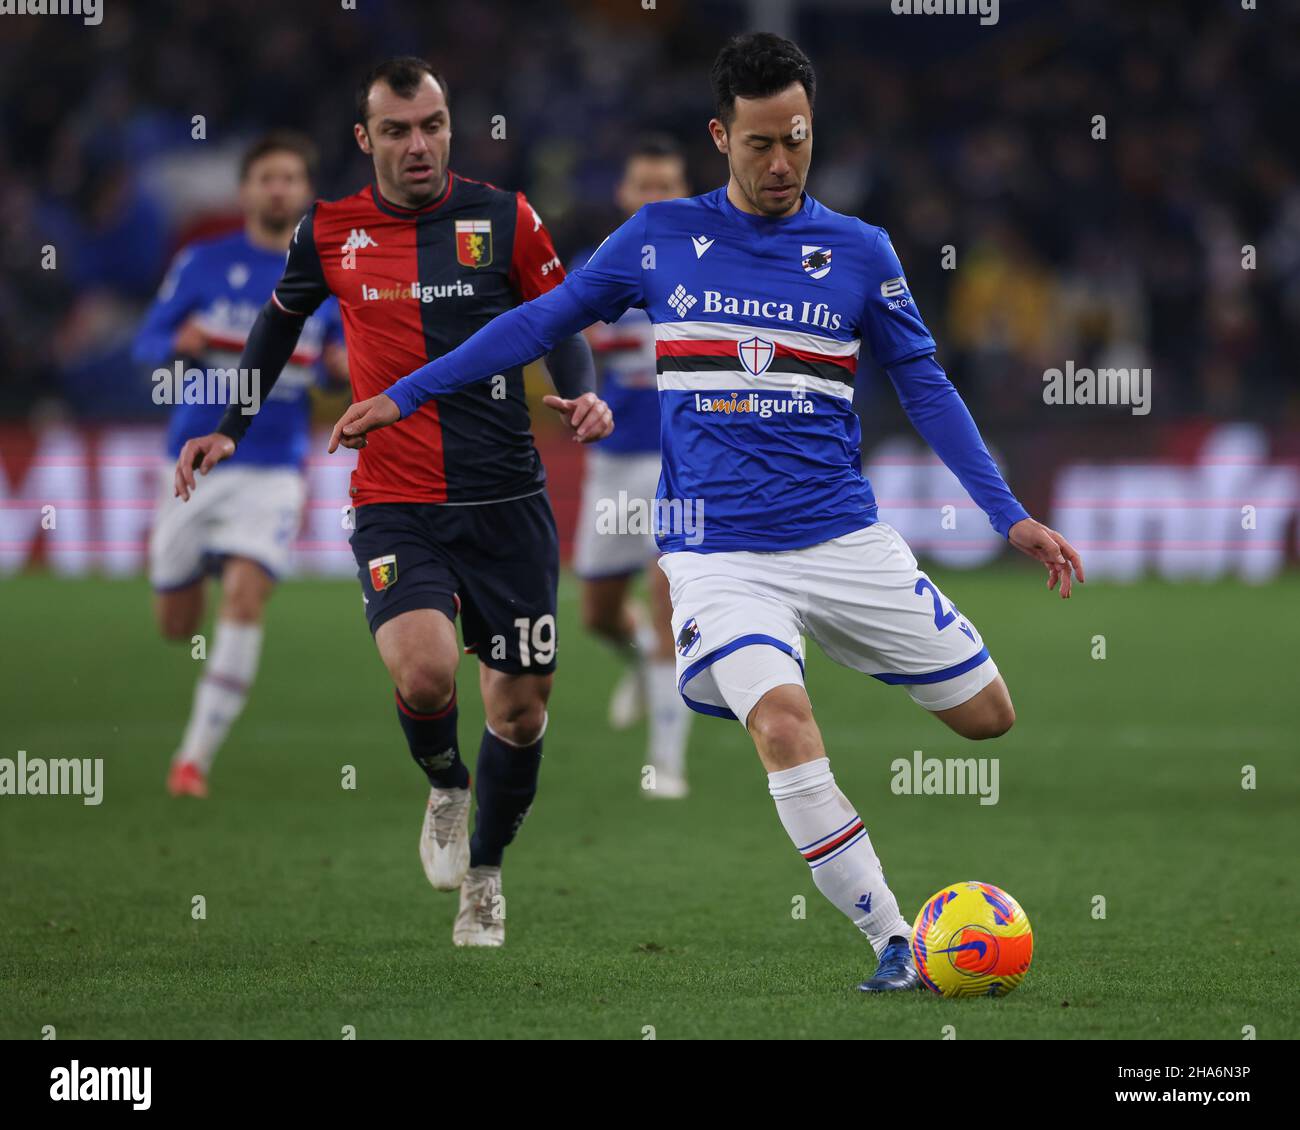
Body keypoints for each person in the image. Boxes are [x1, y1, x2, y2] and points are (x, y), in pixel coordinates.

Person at [326, 34, 1084, 990]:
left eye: (797, 142)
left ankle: (758, 679)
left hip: (844, 538)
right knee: (783, 723)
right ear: (722, 136)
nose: (780, 164)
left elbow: (925, 385)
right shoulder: (658, 238)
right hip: (719, 555)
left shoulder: (860, 252)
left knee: (989, 718)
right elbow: (535, 322)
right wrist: (410, 391)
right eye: (760, 144)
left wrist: (1007, 514)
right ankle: (896, 941)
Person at [172, 58, 611, 946]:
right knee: (422, 671)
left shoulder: (506, 217)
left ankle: (484, 875)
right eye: (401, 130)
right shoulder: (329, 232)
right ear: (366, 139)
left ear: (451, 127)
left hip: (508, 500)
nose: (421, 145)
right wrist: (230, 427)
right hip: (394, 500)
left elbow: (562, 316)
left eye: (435, 125)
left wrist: (584, 391)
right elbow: (278, 325)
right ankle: (447, 783)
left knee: (521, 712)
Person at [134, 131, 346, 799]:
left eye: (290, 178)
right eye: (267, 178)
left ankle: (192, 758)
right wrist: (181, 341)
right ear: (246, 189)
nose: (279, 188)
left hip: (274, 466)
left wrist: (341, 373)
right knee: (176, 626)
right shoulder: (201, 261)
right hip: (193, 460)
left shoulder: (328, 275)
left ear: (306, 192)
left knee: (248, 595)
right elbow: (144, 343)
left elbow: (344, 368)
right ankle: (206, 559)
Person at [572, 137, 693, 798]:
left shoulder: (713, 266)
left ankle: (667, 765)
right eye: (643, 186)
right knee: (596, 612)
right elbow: (560, 352)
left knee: (667, 599)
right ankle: (640, 660)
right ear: (623, 195)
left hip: (684, 461)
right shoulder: (595, 268)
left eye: (666, 186)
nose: (654, 198)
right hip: (614, 462)